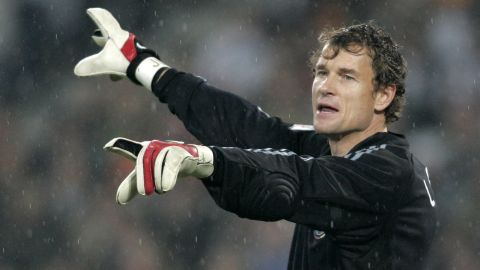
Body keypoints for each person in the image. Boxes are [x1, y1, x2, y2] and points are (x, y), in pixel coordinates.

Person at [74, 8, 437, 270]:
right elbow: (252, 131)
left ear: (383, 95)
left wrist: (206, 161)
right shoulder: (329, 152)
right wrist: (146, 67)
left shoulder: (389, 172)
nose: (325, 86)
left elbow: (291, 179)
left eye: (346, 77)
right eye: (322, 73)